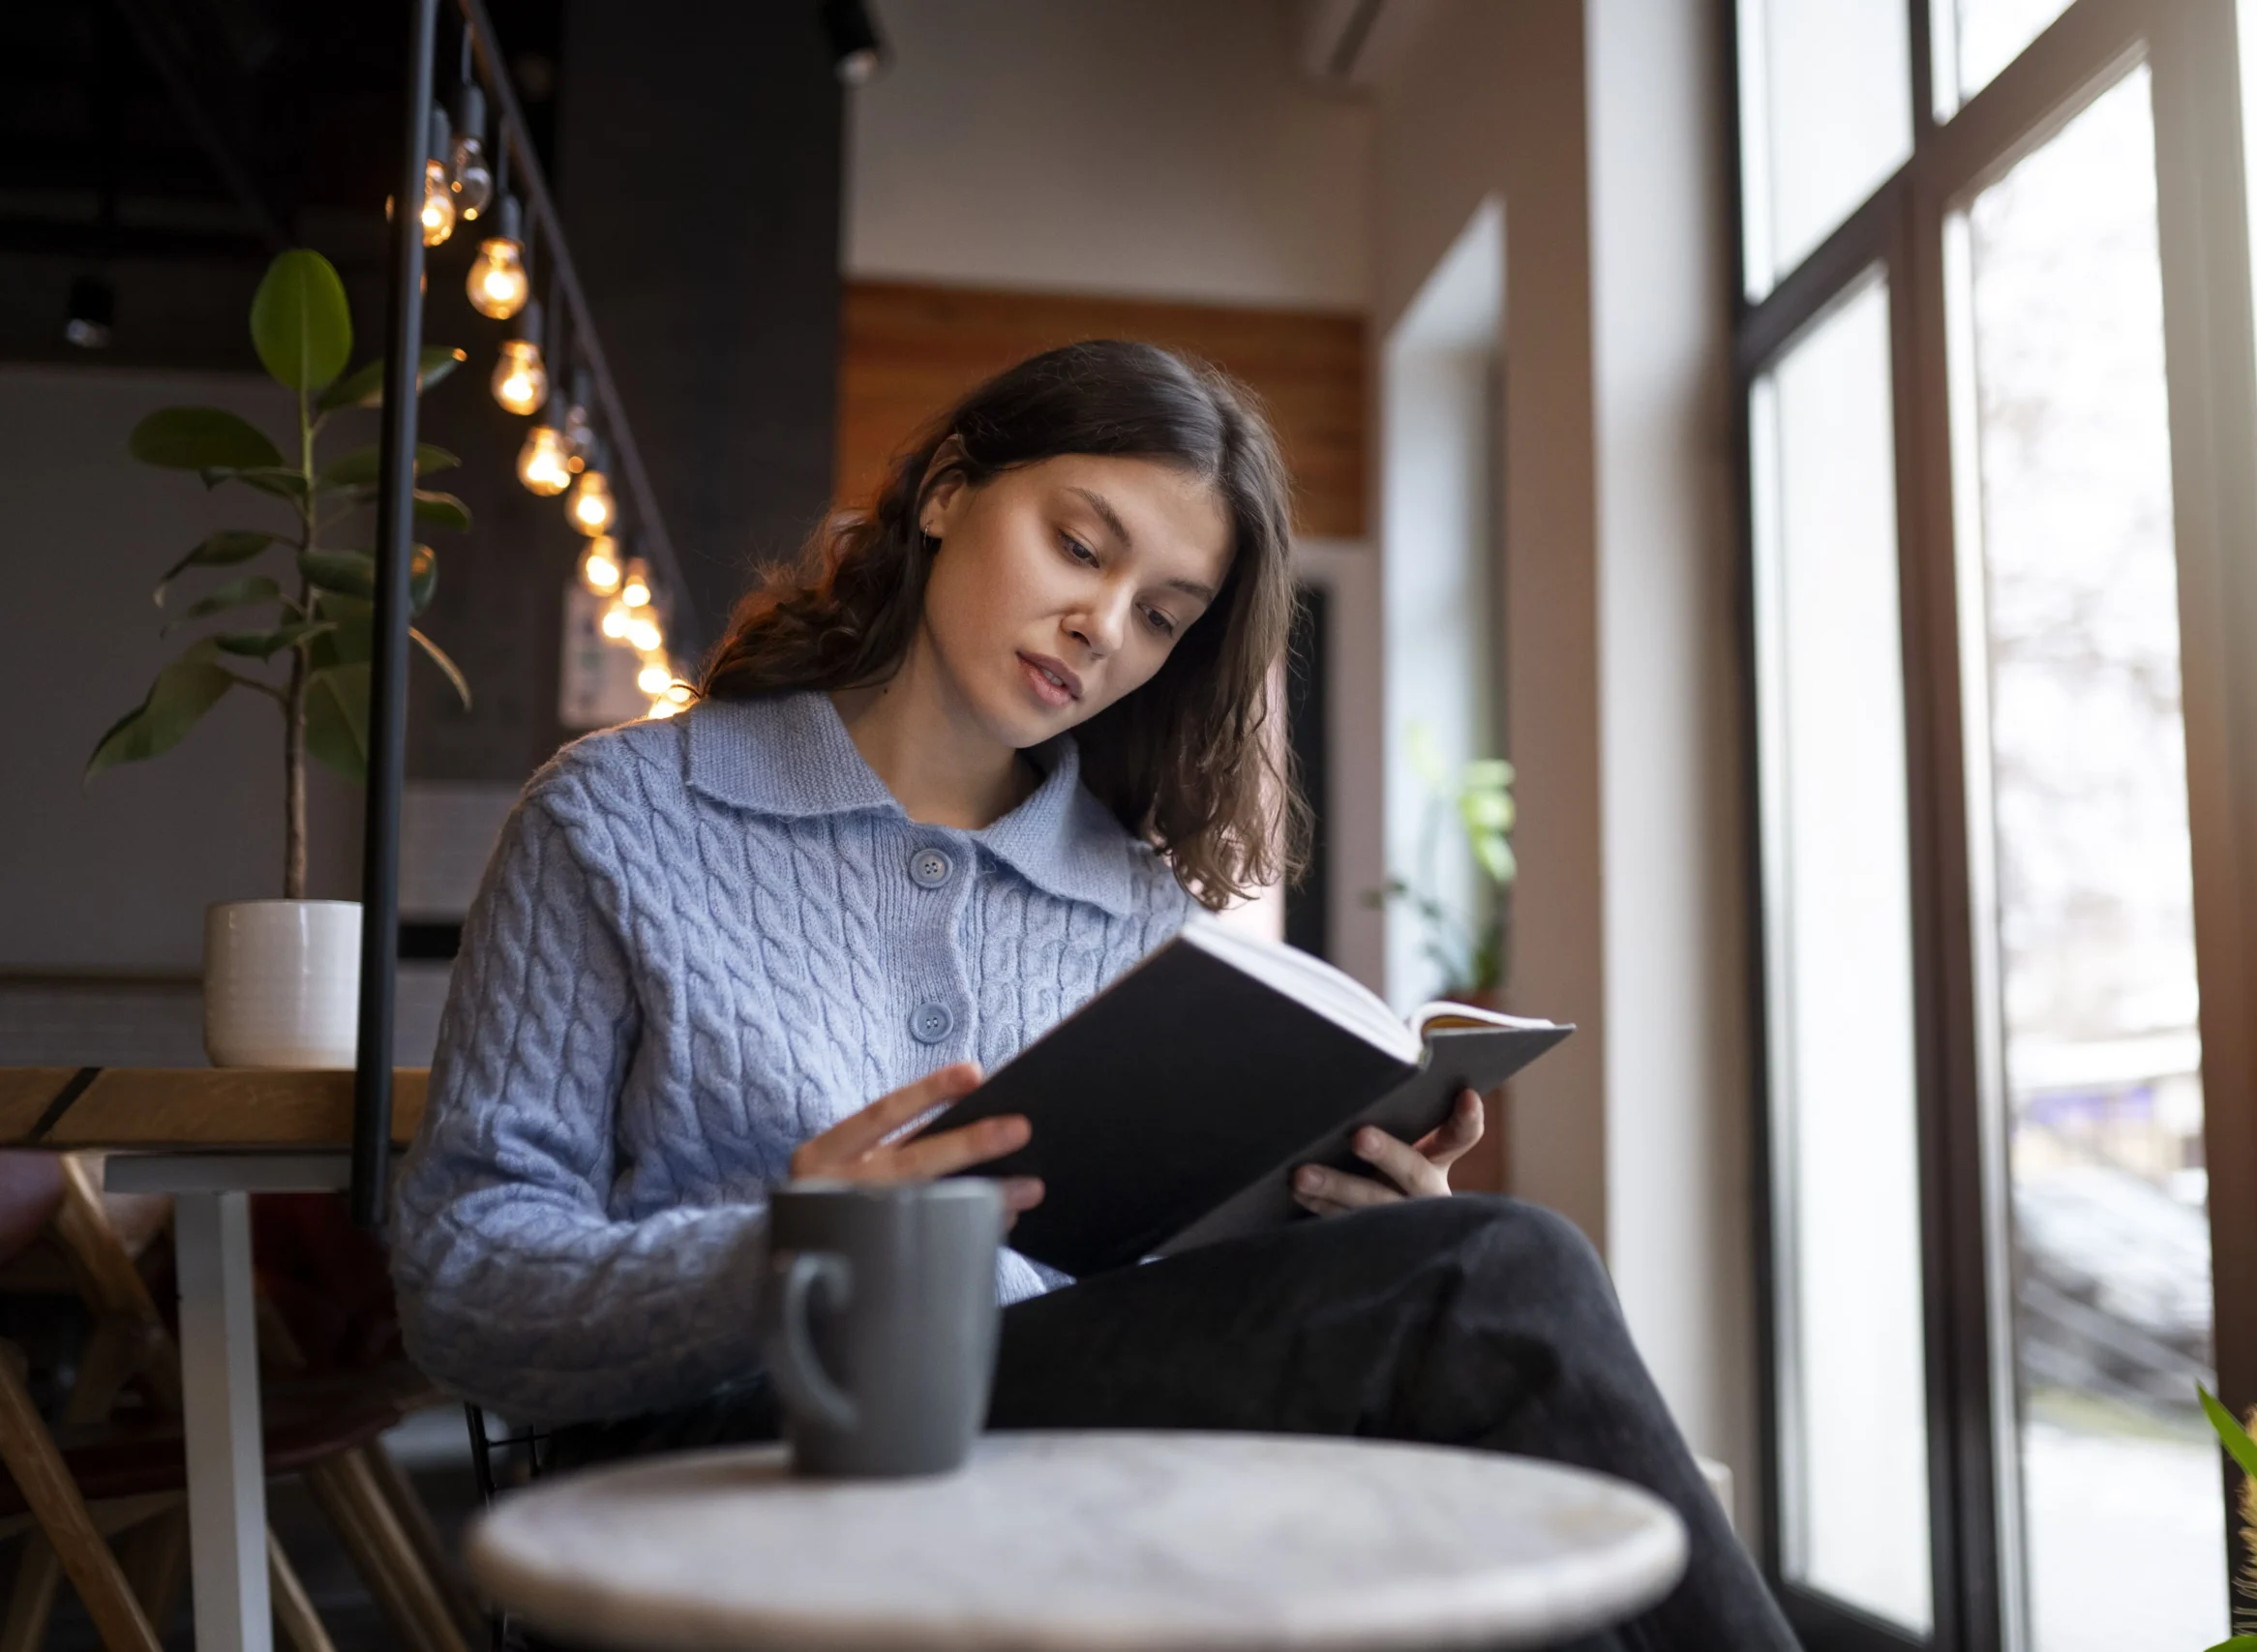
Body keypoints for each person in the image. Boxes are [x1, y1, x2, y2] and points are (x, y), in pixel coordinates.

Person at [390, 341, 1796, 1651]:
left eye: (1161, 614)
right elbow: (459, 1280)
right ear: (948, 493)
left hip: (1047, 1457)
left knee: (1467, 1294)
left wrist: (1337, 1235)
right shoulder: (622, 819)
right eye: (1078, 544)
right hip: (739, 1455)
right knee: (1506, 1279)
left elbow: (1135, 1295)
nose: (1102, 626)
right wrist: (784, 1253)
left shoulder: (1137, 913)